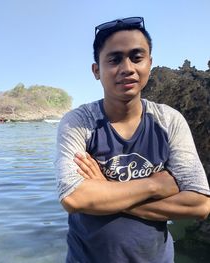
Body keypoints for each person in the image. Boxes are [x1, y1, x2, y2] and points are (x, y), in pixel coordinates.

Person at [55, 16, 210, 263]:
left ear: (149, 63)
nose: (127, 68)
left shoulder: (169, 120)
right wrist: (155, 186)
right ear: (97, 70)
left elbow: (199, 204)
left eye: (136, 57)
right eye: (114, 59)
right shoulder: (79, 122)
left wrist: (105, 188)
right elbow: (74, 197)